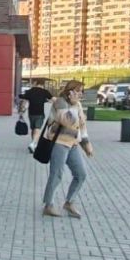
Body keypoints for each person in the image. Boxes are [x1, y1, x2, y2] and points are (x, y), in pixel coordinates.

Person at [41, 80, 93, 218]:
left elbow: (81, 125)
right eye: (78, 91)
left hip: (73, 144)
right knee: (56, 174)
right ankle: (48, 205)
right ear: (70, 91)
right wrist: (74, 105)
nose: (81, 94)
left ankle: (69, 202)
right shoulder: (60, 102)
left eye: (82, 91)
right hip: (59, 143)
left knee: (81, 174)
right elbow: (67, 121)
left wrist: (86, 144)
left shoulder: (78, 104)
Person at [18, 79, 53, 153]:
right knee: (37, 128)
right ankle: (33, 143)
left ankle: (33, 144)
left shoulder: (30, 91)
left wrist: (21, 112)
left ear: (35, 83)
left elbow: (24, 102)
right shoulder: (44, 91)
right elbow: (53, 99)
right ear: (43, 84)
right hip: (40, 113)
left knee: (33, 129)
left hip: (31, 114)